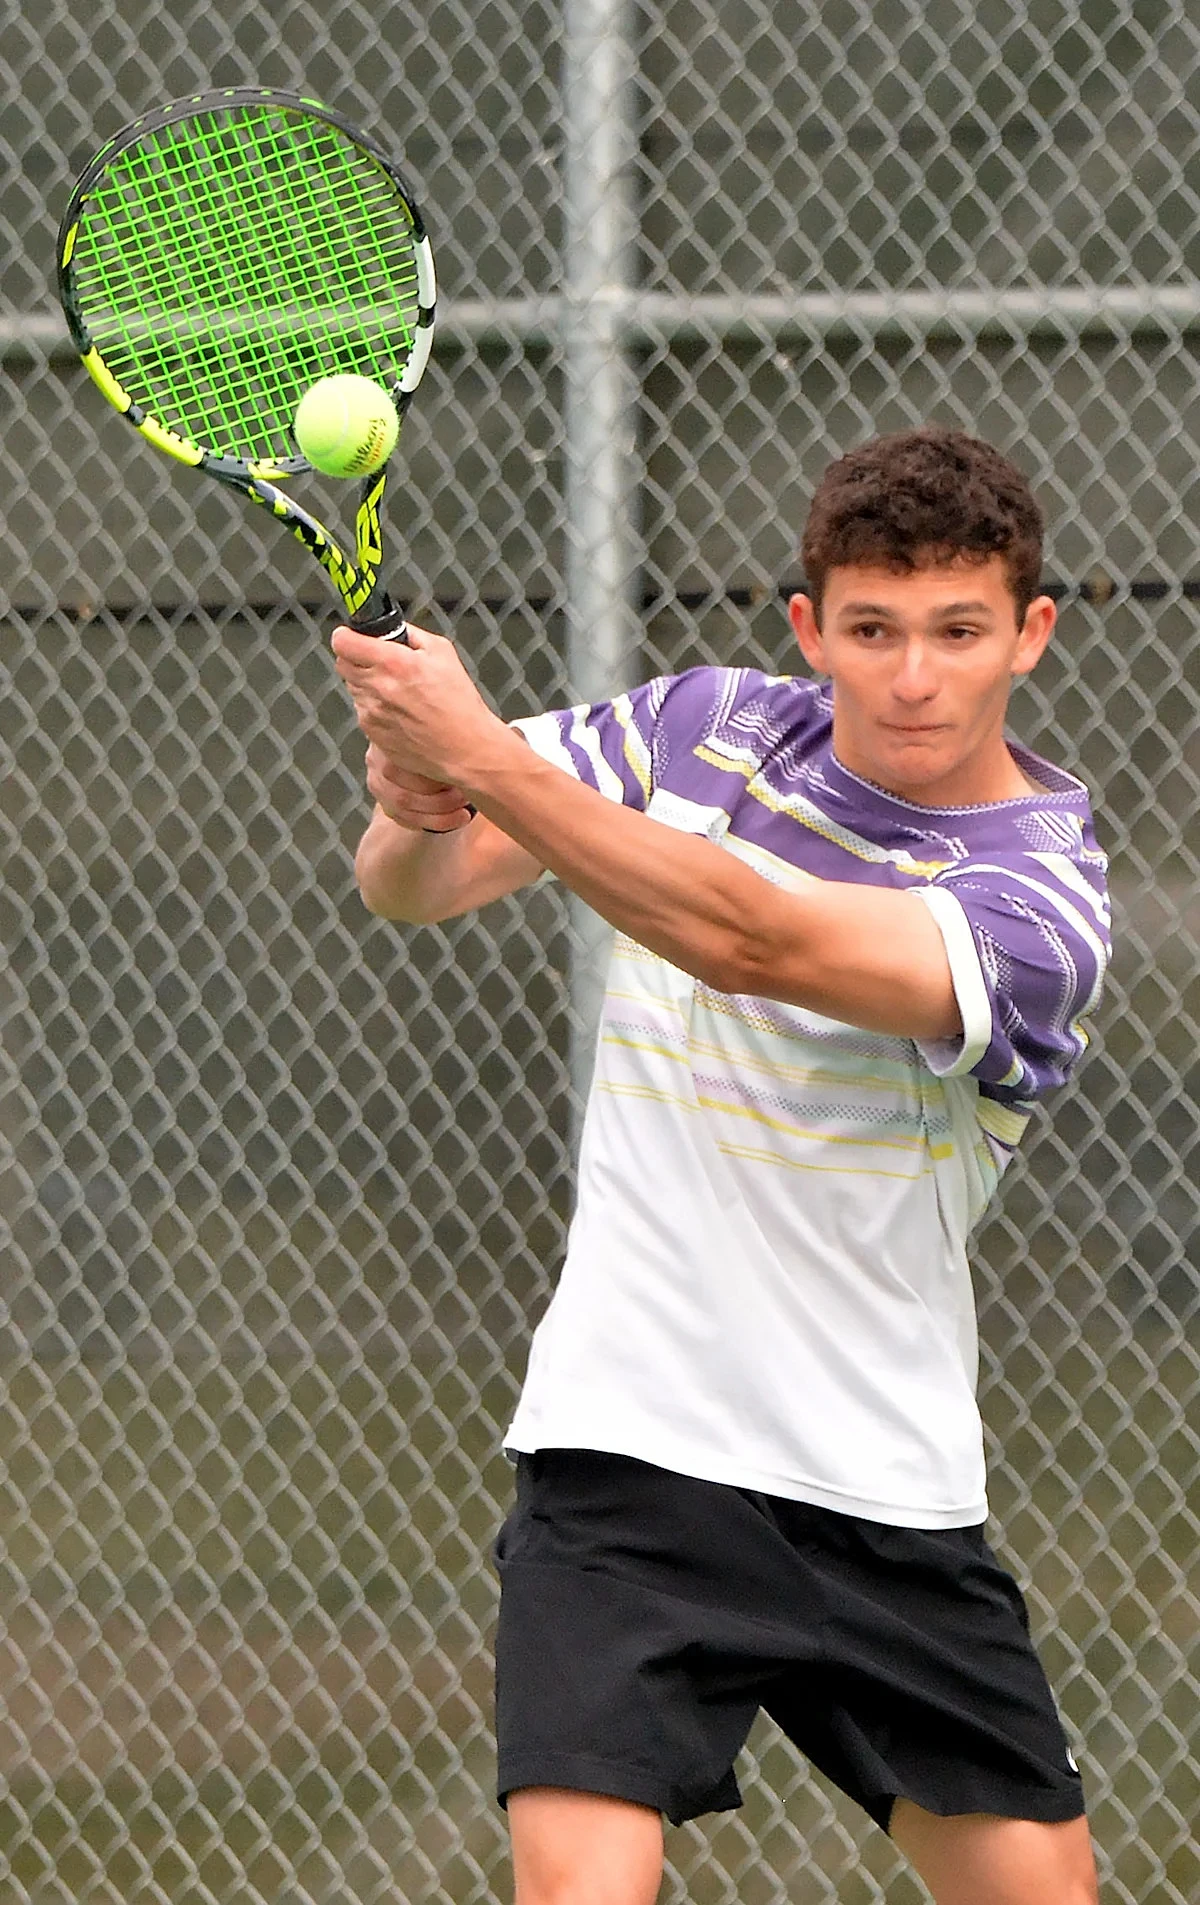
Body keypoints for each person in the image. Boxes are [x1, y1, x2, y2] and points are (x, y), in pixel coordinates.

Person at [332, 427, 1109, 1905]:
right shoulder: (705, 728)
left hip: (881, 1488)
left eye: (957, 631)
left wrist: (481, 754)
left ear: (1031, 635)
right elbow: (415, 887)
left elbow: (753, 938)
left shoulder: (1038, 898)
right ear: (810, 627)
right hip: (627, 1452)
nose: (914, 676)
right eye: (872, 630)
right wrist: (420, 804)